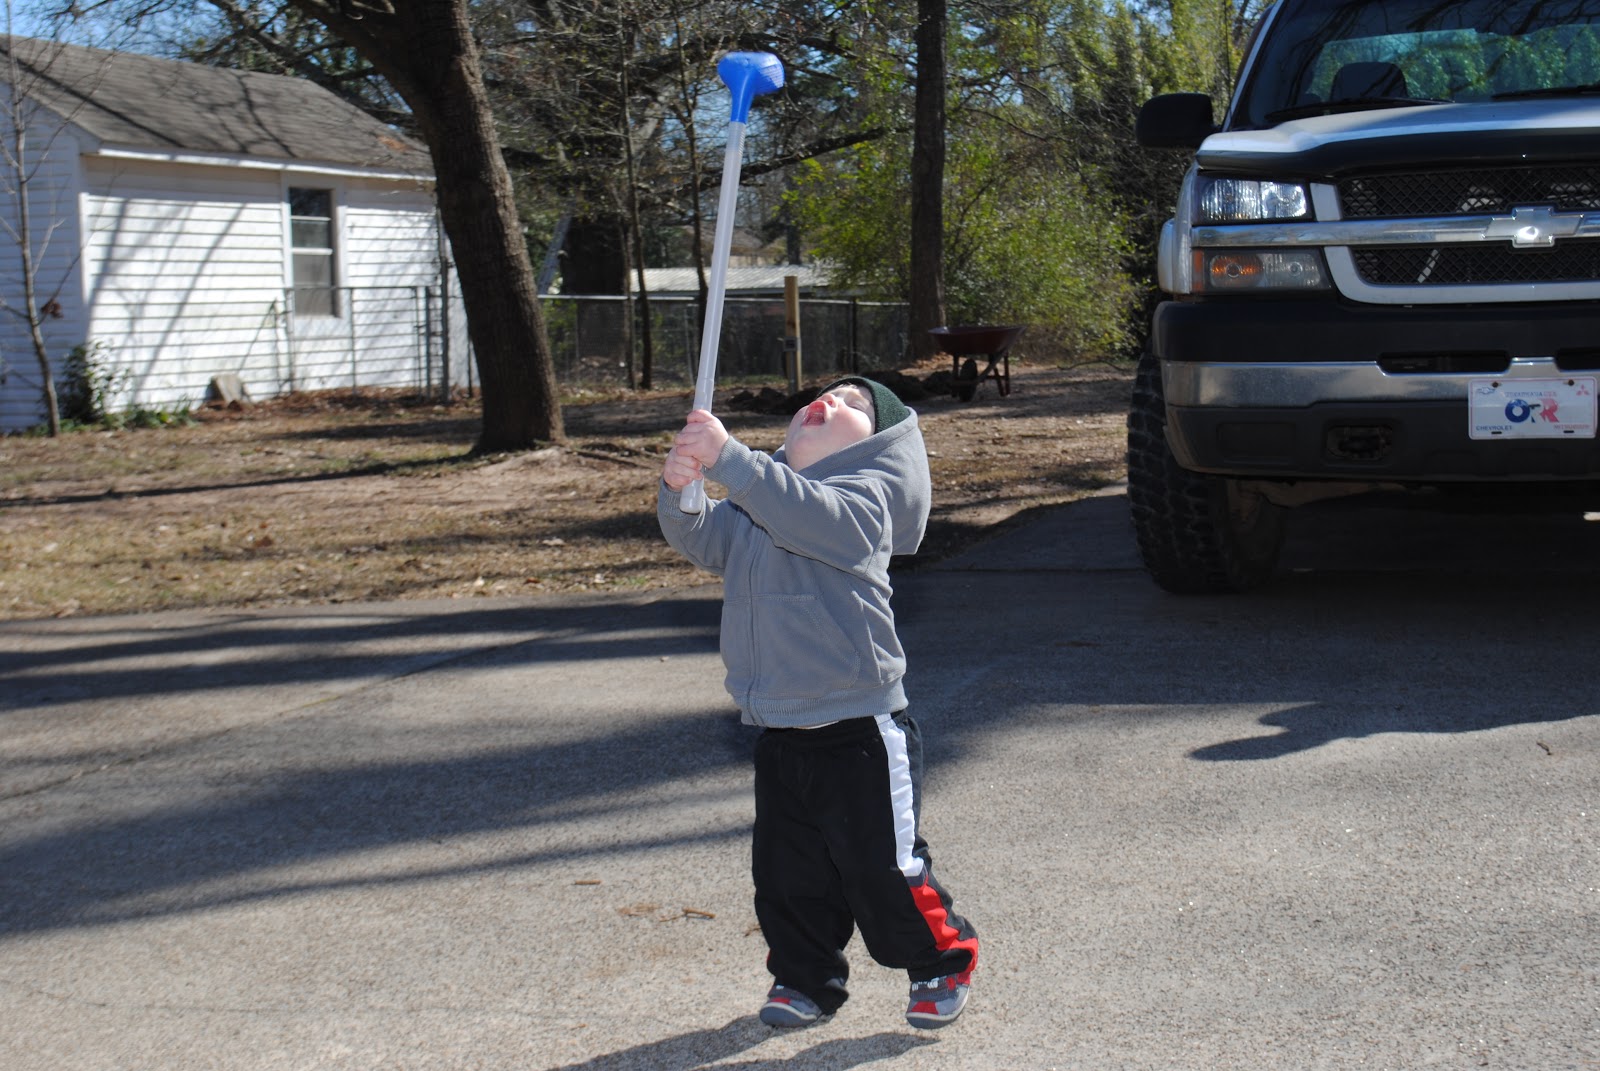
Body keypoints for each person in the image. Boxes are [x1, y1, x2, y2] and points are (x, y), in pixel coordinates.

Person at [657, 376, 979, 1030]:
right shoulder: (762, 501)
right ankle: (805, 979)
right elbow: (704, 540)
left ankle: (943, 960)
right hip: (780, 728)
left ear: (881, 444)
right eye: (822, 396)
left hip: (860, 729)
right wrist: (682, 490)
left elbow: (815, 518)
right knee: (787, 873)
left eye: (853, 404)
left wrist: (733, 462)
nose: (827, 401)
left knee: (882, 868)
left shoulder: (864, 497)